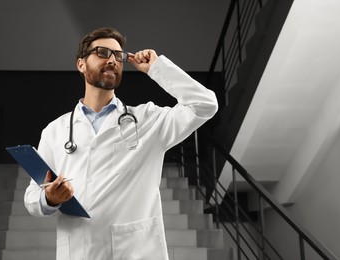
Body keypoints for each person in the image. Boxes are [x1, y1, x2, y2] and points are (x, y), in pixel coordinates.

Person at [24, 27, 218, 260]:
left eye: (118, 56)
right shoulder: (55, 131)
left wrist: (157, 69)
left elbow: (205, 105)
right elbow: (32, 197)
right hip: (78, 250)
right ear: (81, 64)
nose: (113, 60)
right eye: (102, 52)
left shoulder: (148, 121)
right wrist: (50, 199)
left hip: (133, 252)